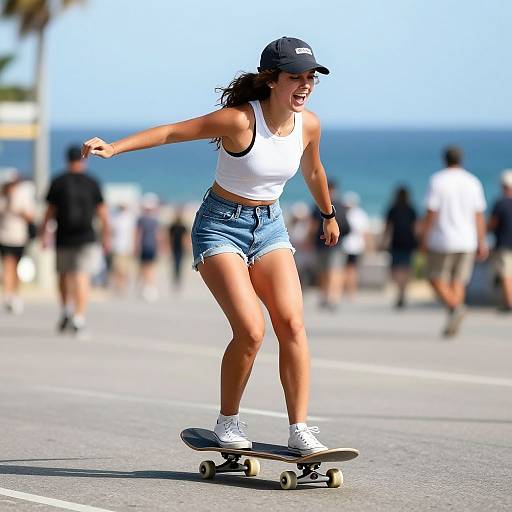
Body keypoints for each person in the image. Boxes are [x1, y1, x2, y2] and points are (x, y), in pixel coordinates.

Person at [82, 37, 339, 455]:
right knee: (251, 330)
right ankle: (228, 422)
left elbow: (313, 170)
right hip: (219, 226)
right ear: (271, 80)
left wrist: (328, 215)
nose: (305, 85)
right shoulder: (239, 121)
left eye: (310, 77)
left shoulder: (309, 125)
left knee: (292, 324)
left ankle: (300, 429)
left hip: (270, 226)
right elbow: (170, 132)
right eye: (296, 77)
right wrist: (115, 148)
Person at [40, 145, 110, 337]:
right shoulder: (92, 182)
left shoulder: (58, 182)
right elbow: (103, 214)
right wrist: (106, 238)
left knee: (63, 274)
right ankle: (79, 317)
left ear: (66, 160)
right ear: (83, 159)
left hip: (63, 235)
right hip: (86, 236)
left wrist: (44, 235)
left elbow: (49, 212)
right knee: (82, 276)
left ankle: (66, 310)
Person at [421, 146, 488, 337]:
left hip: (442, 238)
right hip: (467, 240)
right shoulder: (473, 182)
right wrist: (482, 241)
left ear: (444, 159)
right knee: (458, 281)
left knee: (434, 277)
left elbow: (431, 212)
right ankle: (454, 314)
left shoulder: (437, 181)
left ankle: (455, 307)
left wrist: (424, 237)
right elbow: (479, 215)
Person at [0, 170, 35, 314]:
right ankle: (8, 295)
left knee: (16, 267)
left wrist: (19, 210)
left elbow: (30, 216)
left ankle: (15, 295)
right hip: (4, 236)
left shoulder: (22, 195)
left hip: (20, 237)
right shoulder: (2, 196)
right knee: (8, 265)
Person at [312, 180, 349, 310]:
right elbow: (348, 227)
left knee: (328, 271)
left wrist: (310, 239)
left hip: (324, 242)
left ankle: (328, 296)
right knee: (332, 270)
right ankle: (332, 297)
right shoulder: (341, 205)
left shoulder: (318, 205)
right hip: (336, 243)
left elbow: (313, 226)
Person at [383, 186, 418, 308]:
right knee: (406, 267)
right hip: (409, 242)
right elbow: (415, 227)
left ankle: (400, 290)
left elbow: (388, 227)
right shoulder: (411, 209)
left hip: (396, 241)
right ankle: (403, 290)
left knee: (395, 268)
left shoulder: (393, 209)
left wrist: (384, 241)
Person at [488, 170, 512, 312]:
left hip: (505, 244)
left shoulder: (500, 203)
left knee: (506, 275)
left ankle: (509, 303)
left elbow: (492, 224)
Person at [341, 191, 370, 300]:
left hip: (346, 246)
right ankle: (351, 291)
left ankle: (347, 290)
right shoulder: (361, 214)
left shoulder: (342, 212)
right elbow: (365, 232)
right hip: (355, 246)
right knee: (352, 270)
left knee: (346, 269)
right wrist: (368, 246)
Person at [136, 193, 162, 301]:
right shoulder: (155, 220)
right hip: (151, 246)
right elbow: (158, 235)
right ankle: (149, 286)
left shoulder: (141, 219)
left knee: (145, 267)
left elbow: (138, 234)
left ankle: (147, 286)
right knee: (150, 267)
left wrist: (136, 246)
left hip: (145, 246)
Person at [110, 204, 136, 294]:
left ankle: (123, 285)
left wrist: (133, 246)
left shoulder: (129, 218)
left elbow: (133, 233)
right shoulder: (114, 218)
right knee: (117, 267)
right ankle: (118, 285)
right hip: (116, 247)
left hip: (126, 247)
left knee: (125, 269)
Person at [168, 207, 190, 291]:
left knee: (179, 264)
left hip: (181, 248)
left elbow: (185, 238)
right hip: (174, 248)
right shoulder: (172, 226)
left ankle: (178, 281)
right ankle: (175, 280)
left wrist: (186, 247)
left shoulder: (183, 226)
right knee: (175, 264)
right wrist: (168, 246)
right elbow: (169, 237)